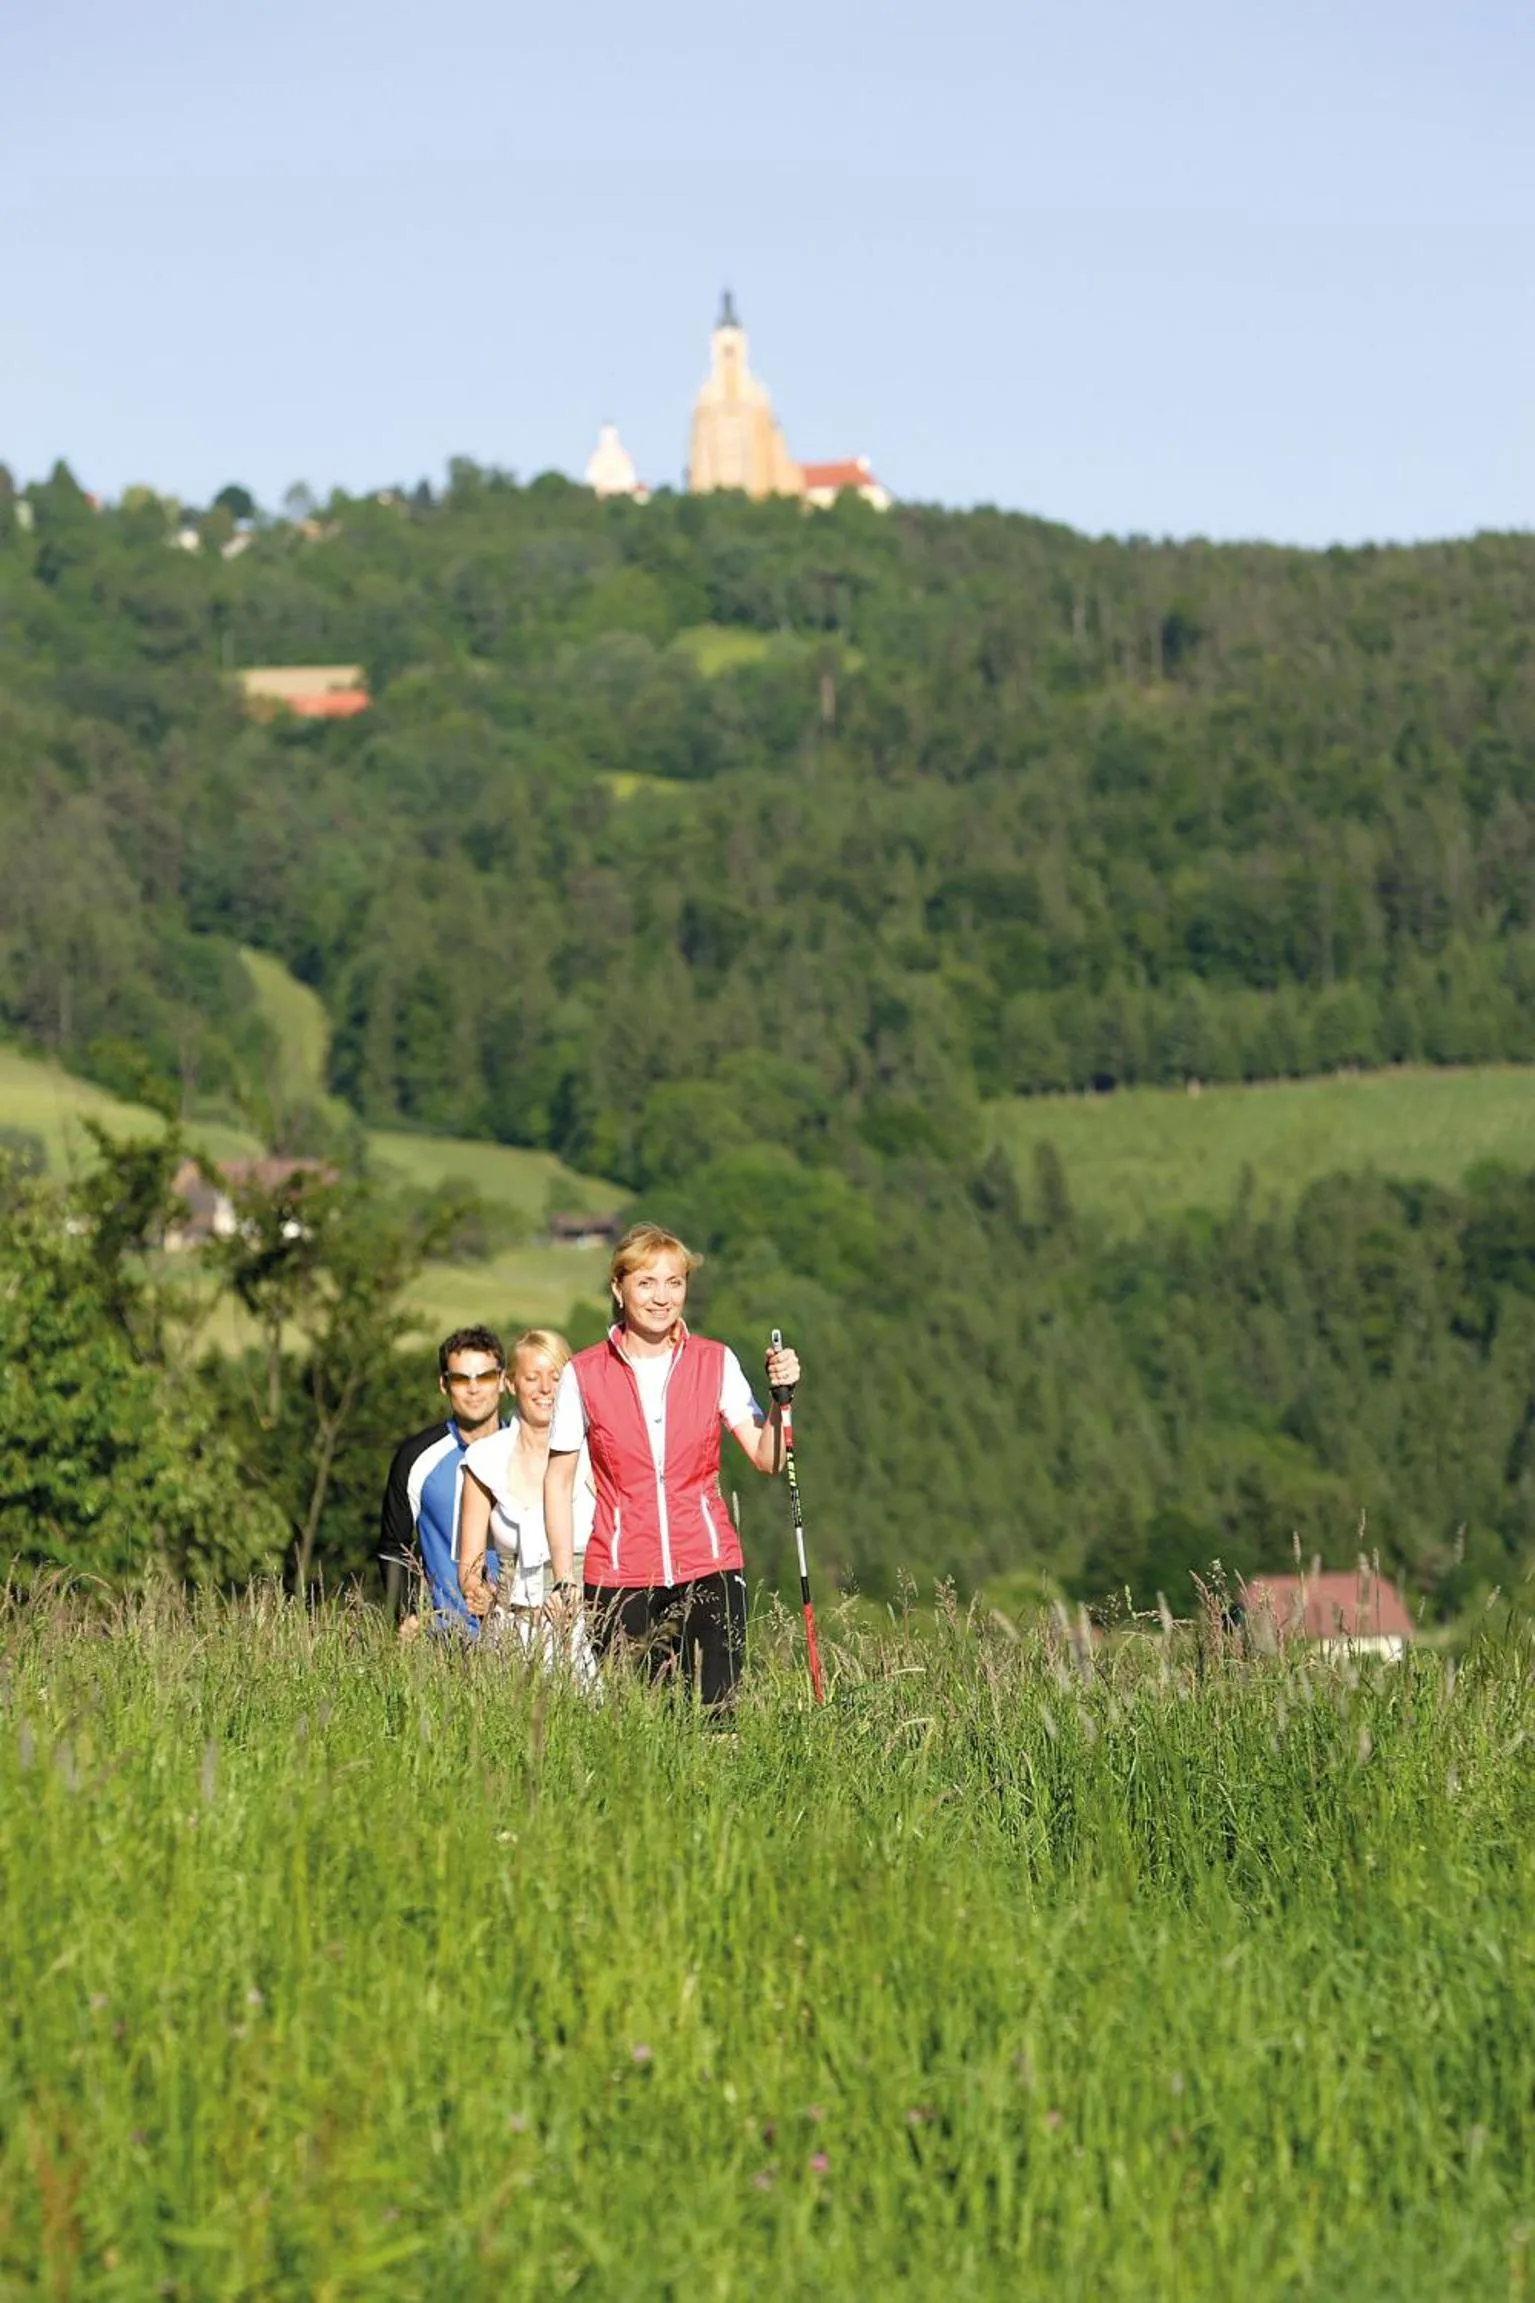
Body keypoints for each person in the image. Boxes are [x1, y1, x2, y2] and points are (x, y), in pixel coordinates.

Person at [543, 1222, 800, 1710]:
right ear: (618, 1289)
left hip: (709, 1564)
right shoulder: (584, 1372)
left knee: (718, 1722)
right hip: (620, 1578)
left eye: (674, 1283)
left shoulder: (715, 1361)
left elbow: (769, 1458)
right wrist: (563, 1577)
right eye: (646, 1282)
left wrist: (780, 1399)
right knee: (647, 1729)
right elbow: (557, 1484)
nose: (661, 1298)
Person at [456, 1328, 597, 1665]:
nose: (546, 1389)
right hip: (509, 1634)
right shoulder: (484, 1460)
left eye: (556, 1377)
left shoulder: (596, 1455)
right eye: (532, 1377)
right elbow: (470, 1564)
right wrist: (476, 1591)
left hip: (585, 1634)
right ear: (511, 1383)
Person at [379, 1326, 507, 1636]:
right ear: (443, 1385)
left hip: (520, 1642)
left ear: (503, 1380)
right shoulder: (416, 1456)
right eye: (461, 1379)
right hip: (444, 1640)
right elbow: (392, 1546)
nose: (473, 1389)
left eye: (485, 1377)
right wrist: (407, 1612)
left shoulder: (528, 1452)